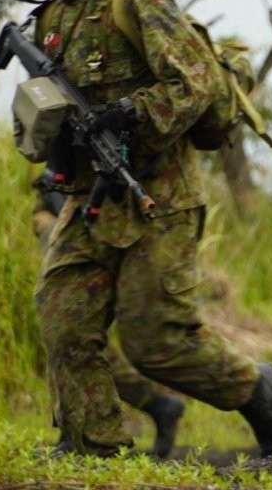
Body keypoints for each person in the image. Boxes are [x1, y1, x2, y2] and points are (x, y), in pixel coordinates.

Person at [15, 0, 272, 458]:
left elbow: (195, 82)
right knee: (63, 318)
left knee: (156, 343)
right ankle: (94, 447)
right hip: (87, 197)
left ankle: (258, 389)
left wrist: (131, 114)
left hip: (157, 198)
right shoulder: (52, 16)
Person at [32, 174, 185, 458]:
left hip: (93, 216)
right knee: (68, 336)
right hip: (69, 210)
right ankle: (152, 408)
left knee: (74, 338)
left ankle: (86, 435)